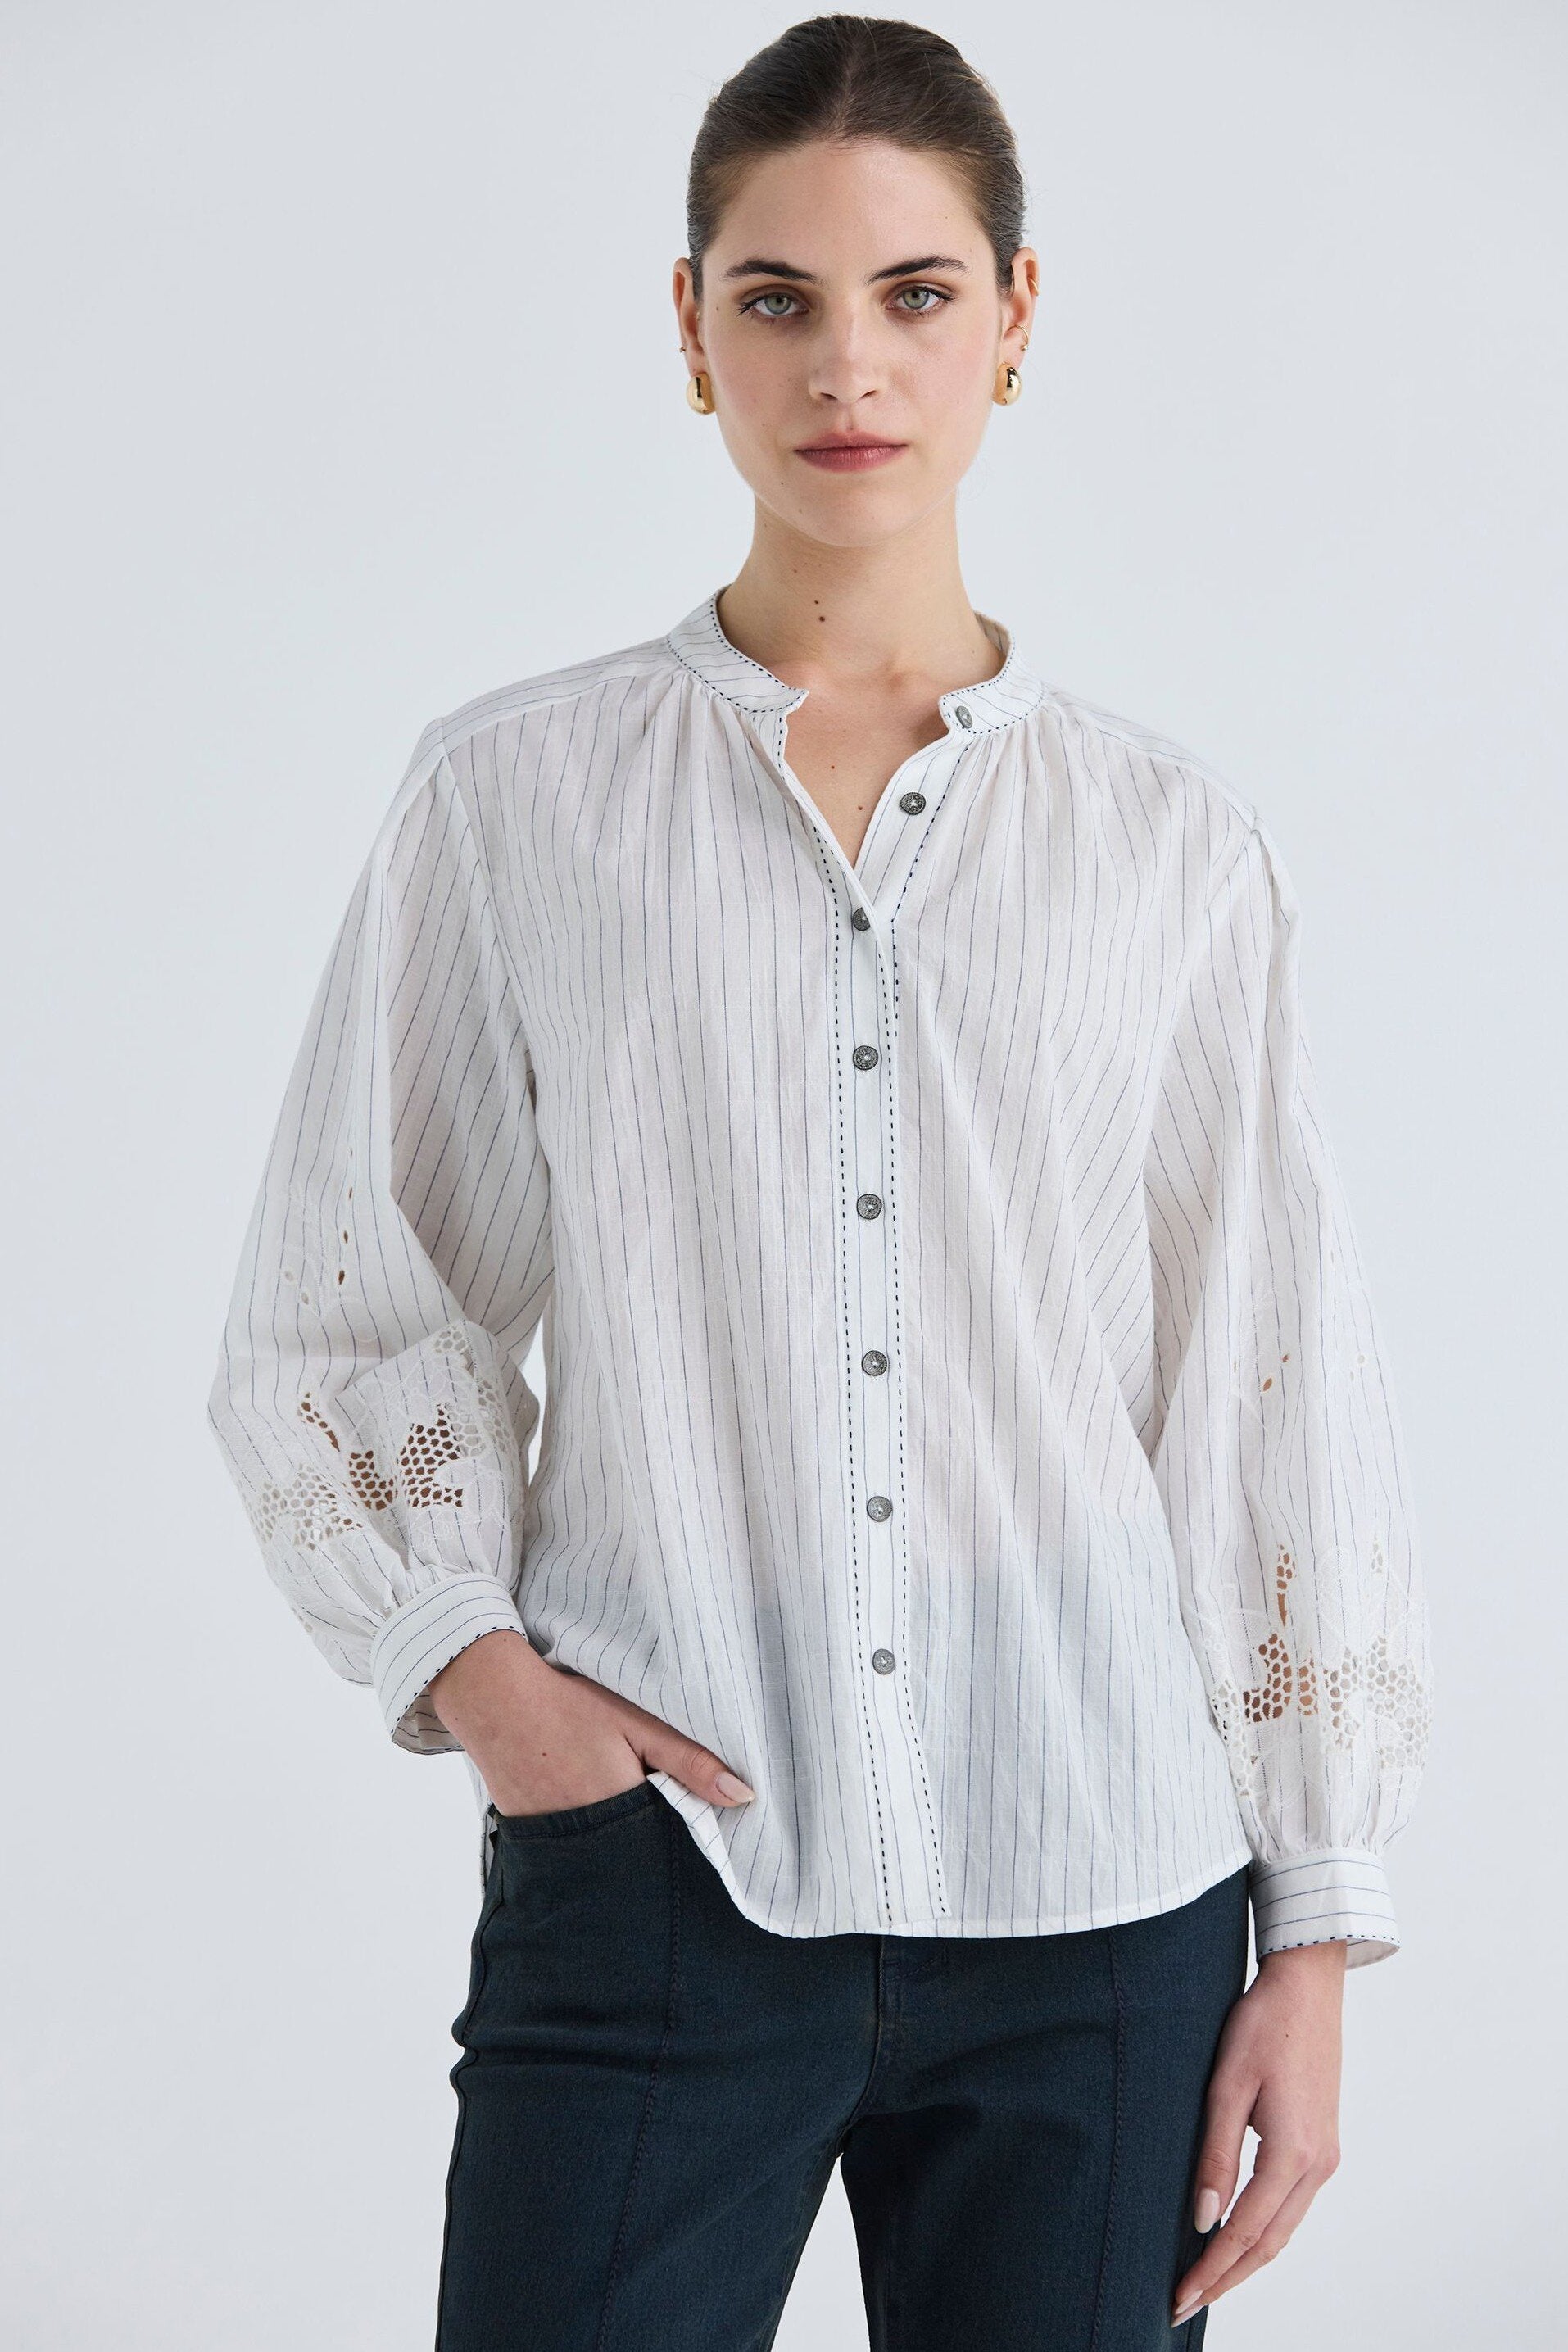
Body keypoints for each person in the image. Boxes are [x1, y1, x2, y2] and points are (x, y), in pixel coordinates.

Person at [207, 16, 1433, 2349]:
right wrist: (492, 1687)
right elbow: (343, 1303)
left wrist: (1316, 1929)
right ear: (690, 330)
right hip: (657, 1874)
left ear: (1015, 317)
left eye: (914, 293)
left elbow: (1266, 1384)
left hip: (1108, 1904)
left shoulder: (1168, 845)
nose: (846, 363)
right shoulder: (516, 800)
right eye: (776, 297)